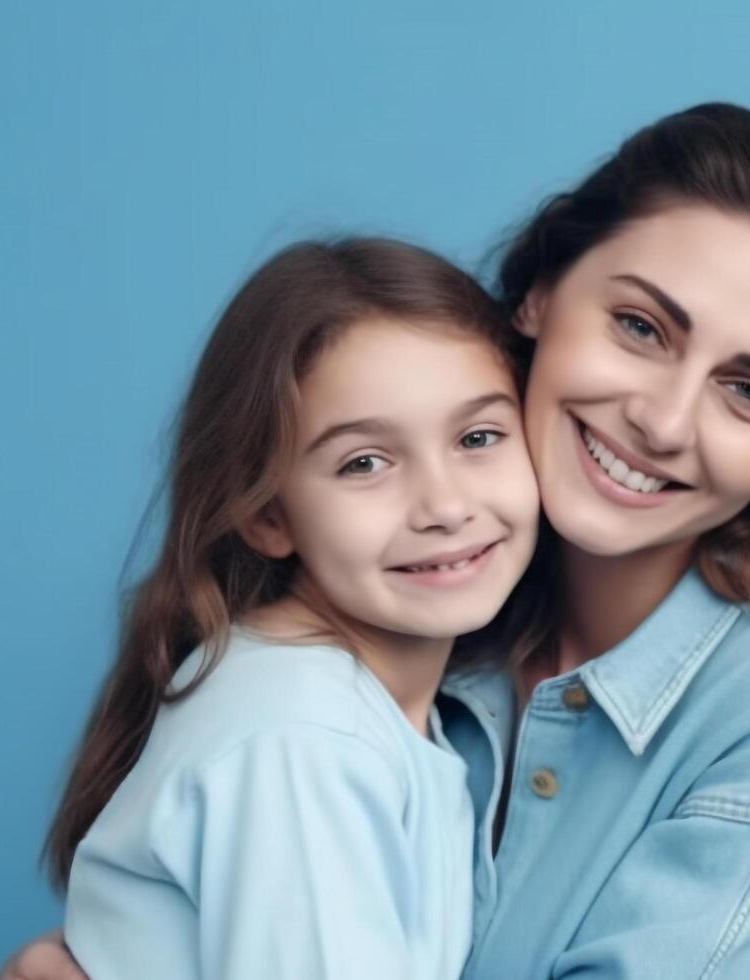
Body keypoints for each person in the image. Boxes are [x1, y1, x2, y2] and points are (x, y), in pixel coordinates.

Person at [3, 102, 750, 979]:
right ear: (540, 294)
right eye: (640, 327)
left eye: (748, 391)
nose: (665, 420)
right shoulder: (414, 627)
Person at [49, 238, 541, 979]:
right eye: (363, 463)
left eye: (477, 437)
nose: (444, 506)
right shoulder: (305, 735)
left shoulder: (365, 713)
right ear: (267, 514)